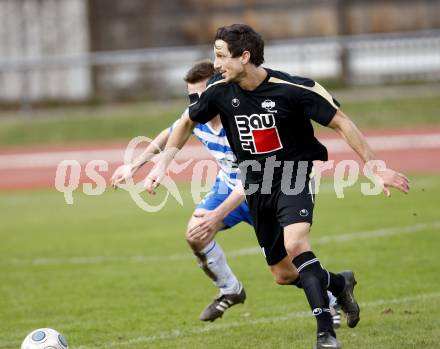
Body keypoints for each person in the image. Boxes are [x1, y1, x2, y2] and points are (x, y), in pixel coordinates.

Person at [144, 24, 409, 349]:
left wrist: (375, 167)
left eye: (221, 56)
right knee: (283, 274)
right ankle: (340, 284)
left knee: (297, 244)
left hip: (293, 175)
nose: (216, 64)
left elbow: (341, 121)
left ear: (245, 56)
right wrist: (162, 164)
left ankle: (325, 334)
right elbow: (186, 121)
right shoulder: (219, 91)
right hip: (256, 185)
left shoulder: (293, 88)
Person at [112, 60, 341, 326]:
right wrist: (135, 165)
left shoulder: (241, 119)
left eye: (201, 94)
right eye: (191, 97)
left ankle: (333, 296)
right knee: (195, 235)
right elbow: (169, 133)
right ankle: (230, 288)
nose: (197, 101)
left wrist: (217, 215)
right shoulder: (197, 117)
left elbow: (256, 179)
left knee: (286, 271)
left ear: (218, 88)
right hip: (227, 186)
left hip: (262, 190)